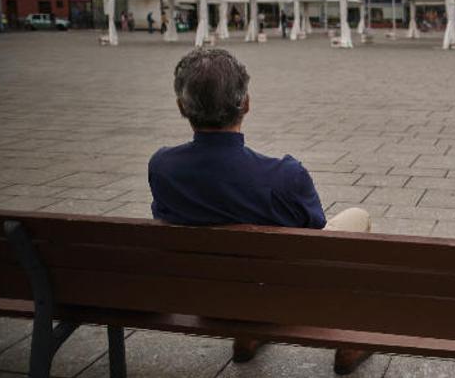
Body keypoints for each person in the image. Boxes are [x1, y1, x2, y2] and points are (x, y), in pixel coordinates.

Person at [148, 49, 372, 375]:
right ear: (246, 103)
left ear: (182, 106)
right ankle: (349, 339)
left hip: (204, 299)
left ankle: (248, 331)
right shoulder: (285, 175)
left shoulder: (163, 167)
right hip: (280, 295)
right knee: (356, 217)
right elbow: (315, 232)